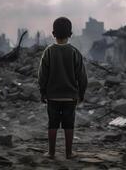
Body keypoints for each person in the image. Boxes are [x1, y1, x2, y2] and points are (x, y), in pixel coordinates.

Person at [38, 17, 88, 159]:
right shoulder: (74, 52)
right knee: (69, 124)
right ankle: (69, 153)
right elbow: (82, 76)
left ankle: (52, 152)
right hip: (70, 96)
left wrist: (43, 92)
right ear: (70, 34)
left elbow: (42, 75)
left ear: (53, 34)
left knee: (52, 123)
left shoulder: (48, 52)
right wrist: (81, 93)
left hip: (52, 96)